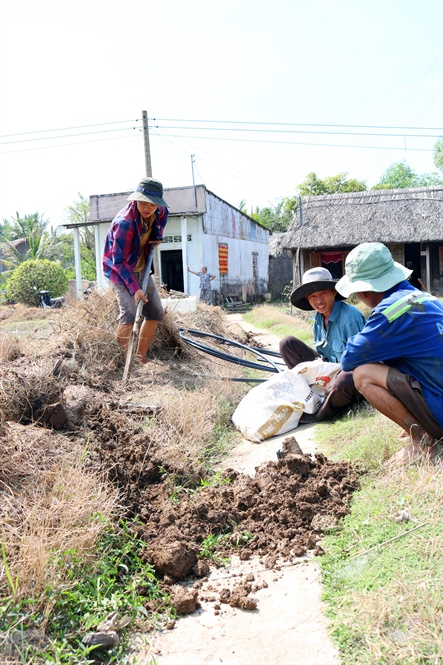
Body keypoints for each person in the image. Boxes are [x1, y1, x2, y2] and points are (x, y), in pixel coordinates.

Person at [335, 242, 443, 464]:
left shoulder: (390, 312)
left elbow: (349, 359)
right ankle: (421, 422)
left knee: (363, 374)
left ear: (364, 291)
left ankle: (422, 442)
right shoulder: (424, 298)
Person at [280, 267, 366, 421]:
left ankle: (321, 414)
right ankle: (311, 397)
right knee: (287, 343)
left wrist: (335, 376)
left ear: (333, 291)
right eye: (312, 296)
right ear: (307, 298)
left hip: (350, 376)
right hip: (329, 372)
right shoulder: (318, 320)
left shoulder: (350, 317)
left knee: (346, 379)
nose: (318, 301)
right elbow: (323, 356)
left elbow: (361, 361)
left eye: (322, 294)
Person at [103, 176, 169, 364]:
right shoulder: (124, 223)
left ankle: (140, 357)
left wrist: (157, 235)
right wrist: (135, 289)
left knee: (155, 312)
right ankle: (124, 362)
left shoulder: (160, 211)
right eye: (143, 203)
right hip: (119, 271)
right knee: (129, 314)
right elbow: (118, 261)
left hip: (141, 266)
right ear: (136, 199)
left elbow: (162, 219)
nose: (147, 208)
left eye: (152, 204)